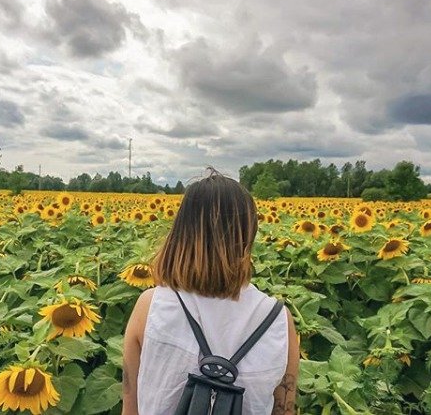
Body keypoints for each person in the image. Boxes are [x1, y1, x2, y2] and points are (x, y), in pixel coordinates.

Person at [122, 168, 299, 414]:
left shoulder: (151, 307)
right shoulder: (278, 321)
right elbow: (284, 410)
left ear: (181, 232)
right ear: (248, 236)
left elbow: (131, 407)